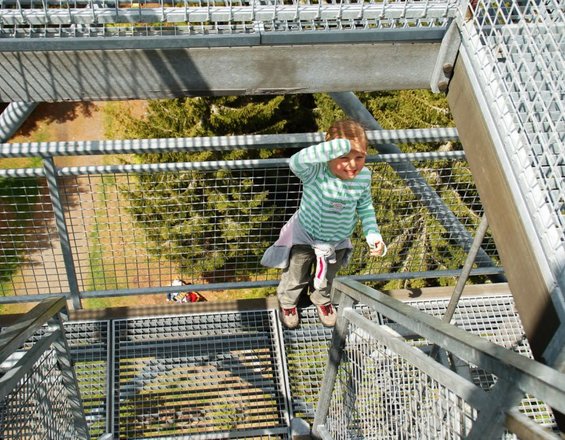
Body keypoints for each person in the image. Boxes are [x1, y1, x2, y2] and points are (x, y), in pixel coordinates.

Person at [261, 119, 387, 329]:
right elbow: (295, 162)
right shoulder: (315, 171)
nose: (353, 164)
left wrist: (373, 234)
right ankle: (288, 303)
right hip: (306, 237)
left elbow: (365, 206)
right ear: (328, 153)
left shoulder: (364, 177)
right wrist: (333, 148)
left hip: (336, 242)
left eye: (360, 157)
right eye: (343, 157)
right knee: (296, 276)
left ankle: (320, 299)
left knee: (327, 277)